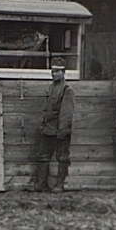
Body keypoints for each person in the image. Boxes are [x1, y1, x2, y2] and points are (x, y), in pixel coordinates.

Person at [28, 58, 75, 192]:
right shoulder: (51, 87)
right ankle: (41, 184)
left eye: (57, 71)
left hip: (60, 130)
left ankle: (59, 185)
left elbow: (66, 113)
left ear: (63, 72)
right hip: (48, 129)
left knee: (62, 157)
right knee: (43, 156)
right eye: (53, 71)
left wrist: (63, 131)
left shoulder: (67, 90)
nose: (54, 74)